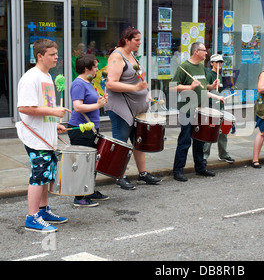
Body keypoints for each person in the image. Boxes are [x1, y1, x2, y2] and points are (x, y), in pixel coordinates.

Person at [16, 39, 71, 232]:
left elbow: (43, 108)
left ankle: (42, 210)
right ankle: (32, 217)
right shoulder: (31, 78)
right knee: (38, 176)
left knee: (47, 175)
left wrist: (53, 125)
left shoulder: (47, 76)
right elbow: (24, 108)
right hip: (35, 137)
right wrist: (54, 112)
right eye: (52, 54)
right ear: (40, 56)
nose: (57, 57)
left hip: (45, 135)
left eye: (56, 53)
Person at [105, 27, 161, 190]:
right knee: (121, 142)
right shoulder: (116, 56)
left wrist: (146, 93)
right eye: (136, 40)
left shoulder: (132, 55)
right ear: (127, 40)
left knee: (138, 141)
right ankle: (119, 176)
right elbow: (110, 83)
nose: (139, 43)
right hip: (121, 107)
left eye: (140, 40)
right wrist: (137, 89)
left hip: (136, 107)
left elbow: (136, 79)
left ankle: (142, 174)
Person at [170, 42, 224, 182]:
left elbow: (202, 86)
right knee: (185, 139)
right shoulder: (184, 67)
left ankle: (200, 168)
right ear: (196, 52)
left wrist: (211, 86)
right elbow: (172, 87)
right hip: (187, 108)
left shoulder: (201, 66)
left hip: (201, 108)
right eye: (204, 51)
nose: (206, 53)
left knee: (200, 139)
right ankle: (178, 171)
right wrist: (189, 86)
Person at [67, 54, 109, 207]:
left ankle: (88, 190)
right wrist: (98, 105)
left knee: (91, 162)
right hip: (80, 128)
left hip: (90, 128)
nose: (98, 69)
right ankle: (79, 197)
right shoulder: (78, 84)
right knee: (83, 163)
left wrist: (101, 101)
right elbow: (77, 106)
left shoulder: (89, 82)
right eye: (95, 67)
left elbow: (91, 102)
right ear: (86, 69)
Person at [203, 54, 235, 164]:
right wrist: (211, 85)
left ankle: (223, 154)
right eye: (217, 62)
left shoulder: (219, 75)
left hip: (219, 106)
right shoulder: (209, 75)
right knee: (210, 131)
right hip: (211, 106)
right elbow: (205, 88)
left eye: (221, 62)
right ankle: (204, 156)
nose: (219, 64)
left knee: (223, 131)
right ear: (212, 63)